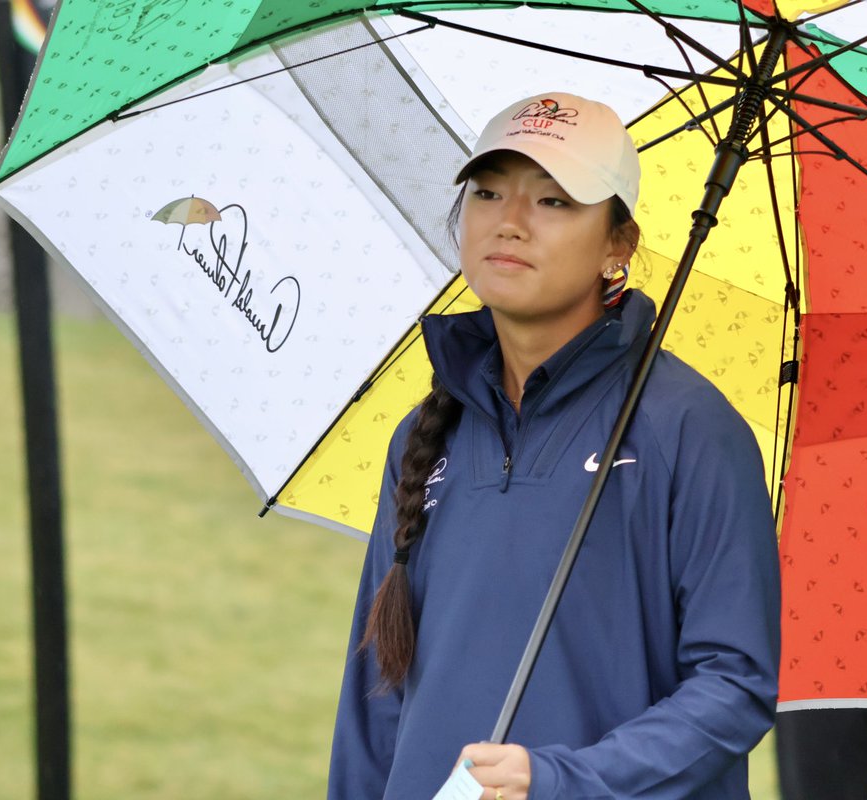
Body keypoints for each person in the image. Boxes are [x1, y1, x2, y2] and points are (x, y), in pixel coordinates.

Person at [327, 91, 781, 800]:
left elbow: (734, 685)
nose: (509, 222)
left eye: (554, 201)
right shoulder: (424, 434)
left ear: (617, 245)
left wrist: (565, 779)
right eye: (487, 192)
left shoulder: (691, 428)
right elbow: (374, 697)